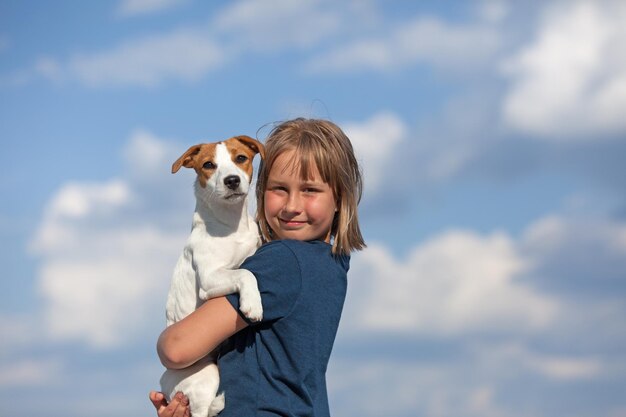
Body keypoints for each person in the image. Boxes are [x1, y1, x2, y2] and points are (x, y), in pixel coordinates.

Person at [150, 118, 365, 417]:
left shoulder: (283, 261)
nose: (292, 205)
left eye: (310, 190)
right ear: (261, 190)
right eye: (279, 189)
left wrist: (164, 339)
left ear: (340, 197)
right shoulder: (330, 262)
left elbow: (176, 348)